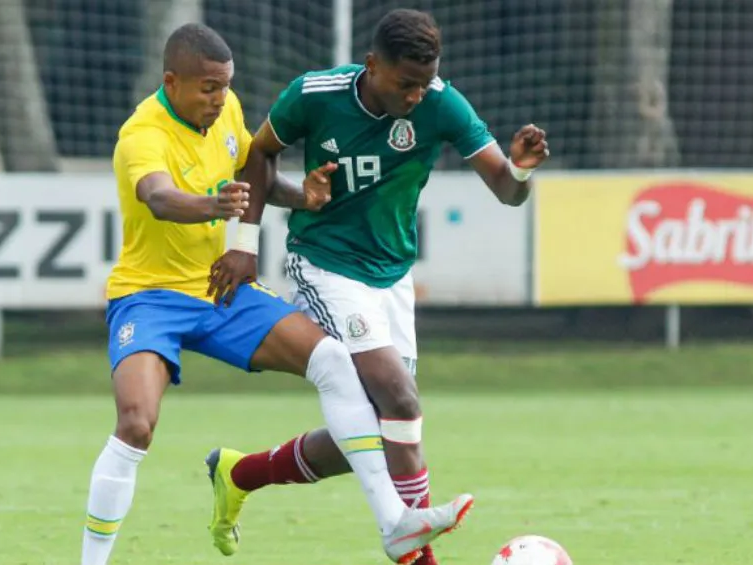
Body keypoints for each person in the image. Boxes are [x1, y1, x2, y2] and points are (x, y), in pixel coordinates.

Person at [80, 21, 472, 565]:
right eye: (207, 89)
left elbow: (252, 176)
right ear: (172, 81)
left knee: (335, 361)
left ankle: (395, 525)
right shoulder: (141, 134)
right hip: (149, 298)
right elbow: (160, 197)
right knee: (136, 424)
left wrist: (303, 197)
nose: (220, 100)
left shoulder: (231, 111)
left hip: (220, 288)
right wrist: (212, 206)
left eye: (225, 86)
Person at [206, 8, 550, 565]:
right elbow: (260, 152)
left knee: (384, 430)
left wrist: (522, 171)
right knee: (400, 397)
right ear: (372, 65)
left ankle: (239, 473)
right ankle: (413, 549)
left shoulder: (442, 102)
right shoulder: (314, 95)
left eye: (424, 82)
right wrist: (243, 244)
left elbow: (506, 190)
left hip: (391, 277)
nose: (417, 95)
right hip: (324, 264)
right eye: (405, 83)